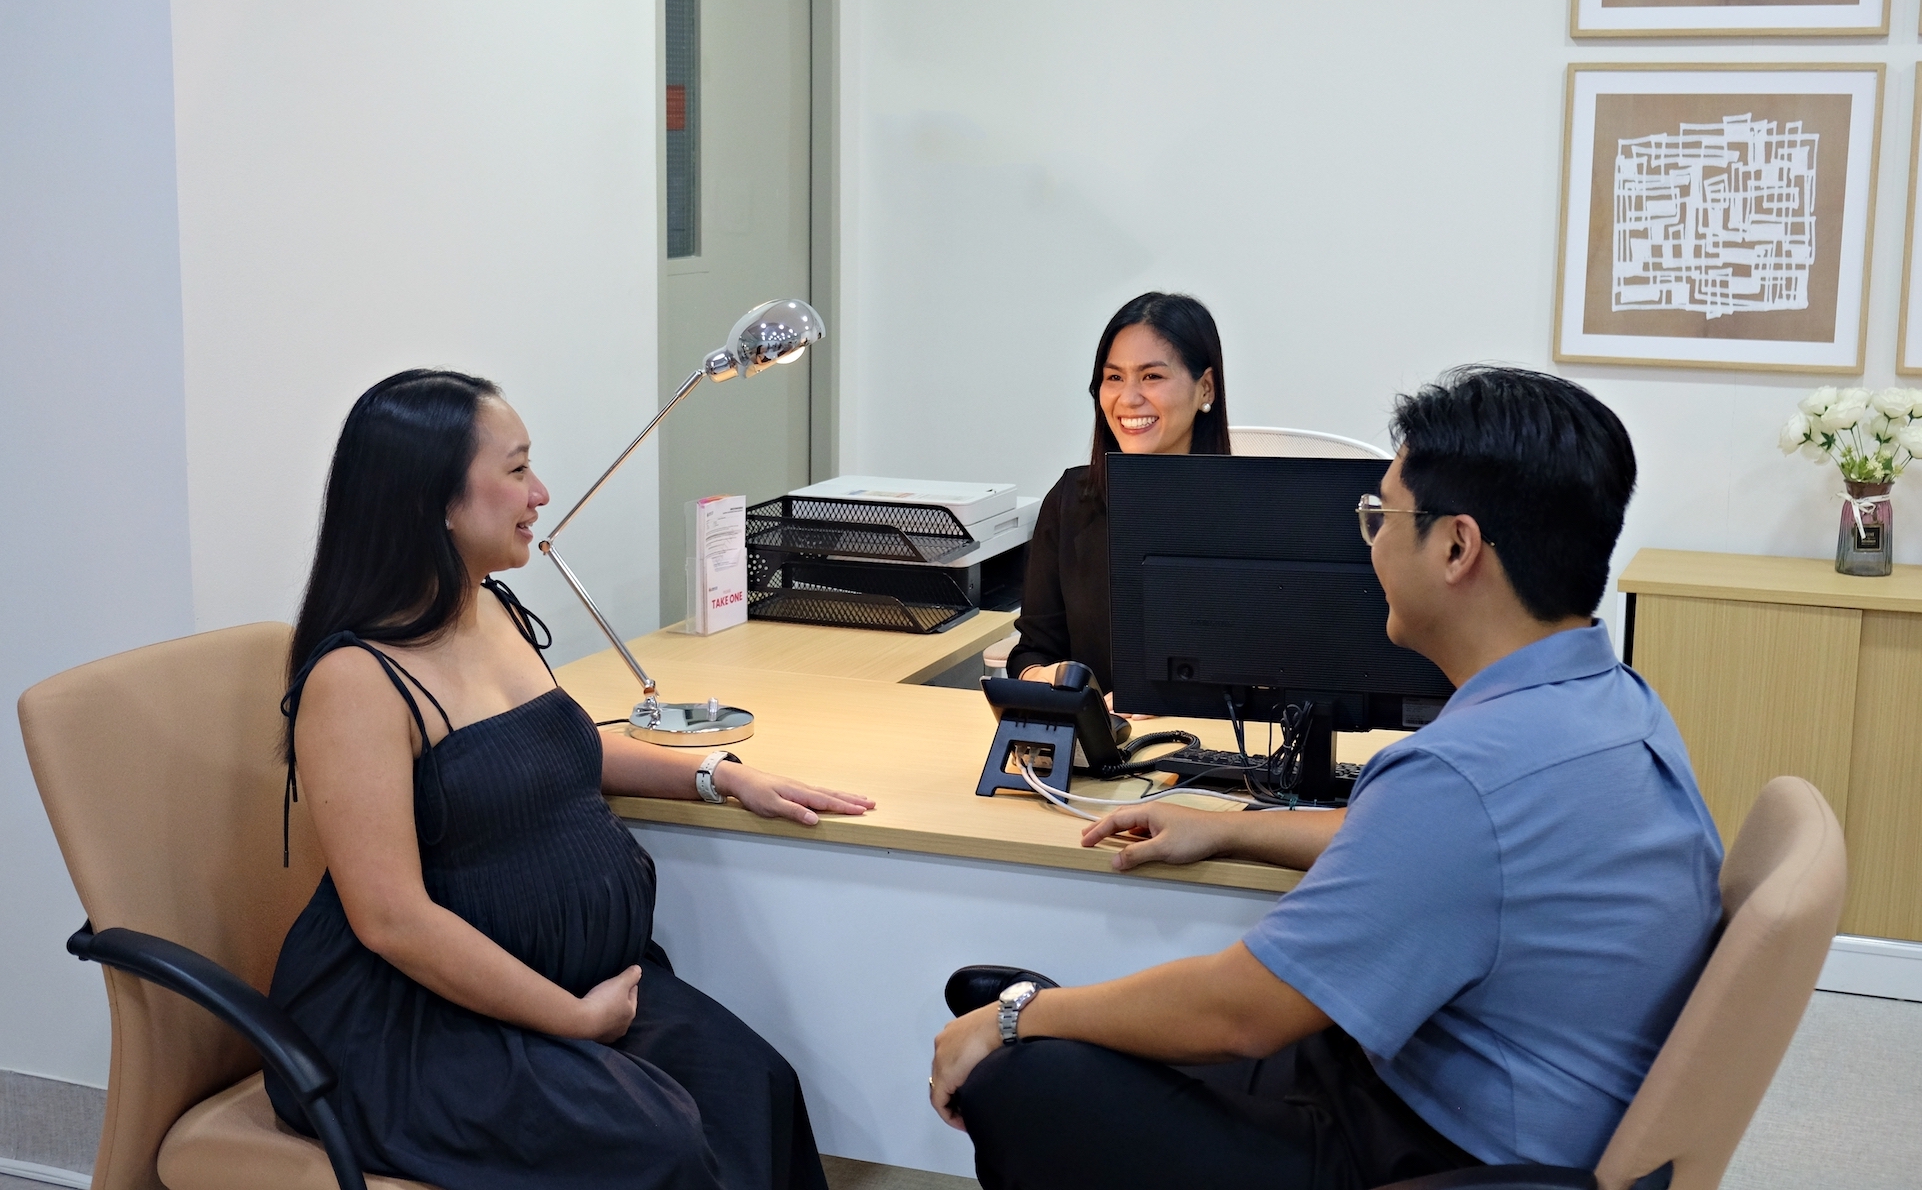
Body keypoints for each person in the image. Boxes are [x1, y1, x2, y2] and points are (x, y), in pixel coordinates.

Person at [932, 366, 1723, 1190]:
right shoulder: (1608, 701)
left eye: (1381, 515)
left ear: (1457, 547)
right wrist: (1232, 823)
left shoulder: (1462, 776)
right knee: (1083, 1042)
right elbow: (1446, 852)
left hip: (1434, 1152)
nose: (1370, 538)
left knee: (1023, 1081)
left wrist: (1021, 1016)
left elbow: (1239, 1012)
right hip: (1485, 1102)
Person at [267, 369, 874, 1190]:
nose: (540, 492)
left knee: (753, 1087)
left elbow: (557, 747)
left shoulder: (489, 608)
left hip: (562, 980)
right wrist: (575, 1019)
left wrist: (718, 775)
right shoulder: (357, 680)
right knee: (658, 1149)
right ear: (433, 499)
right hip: (415, 1024)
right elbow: (392, 921)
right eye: (517, 470)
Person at [1009, 292, 1228, 692]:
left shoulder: (1244, 511)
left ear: (1206, 389)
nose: (1127, 399)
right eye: (1114, 378)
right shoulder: (1071, 500)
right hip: (1100, 743)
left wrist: (1171, 699)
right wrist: (1044, 677)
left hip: (1206, 744)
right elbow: (1035, 648)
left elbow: (1269, 676)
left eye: (1152, 377)